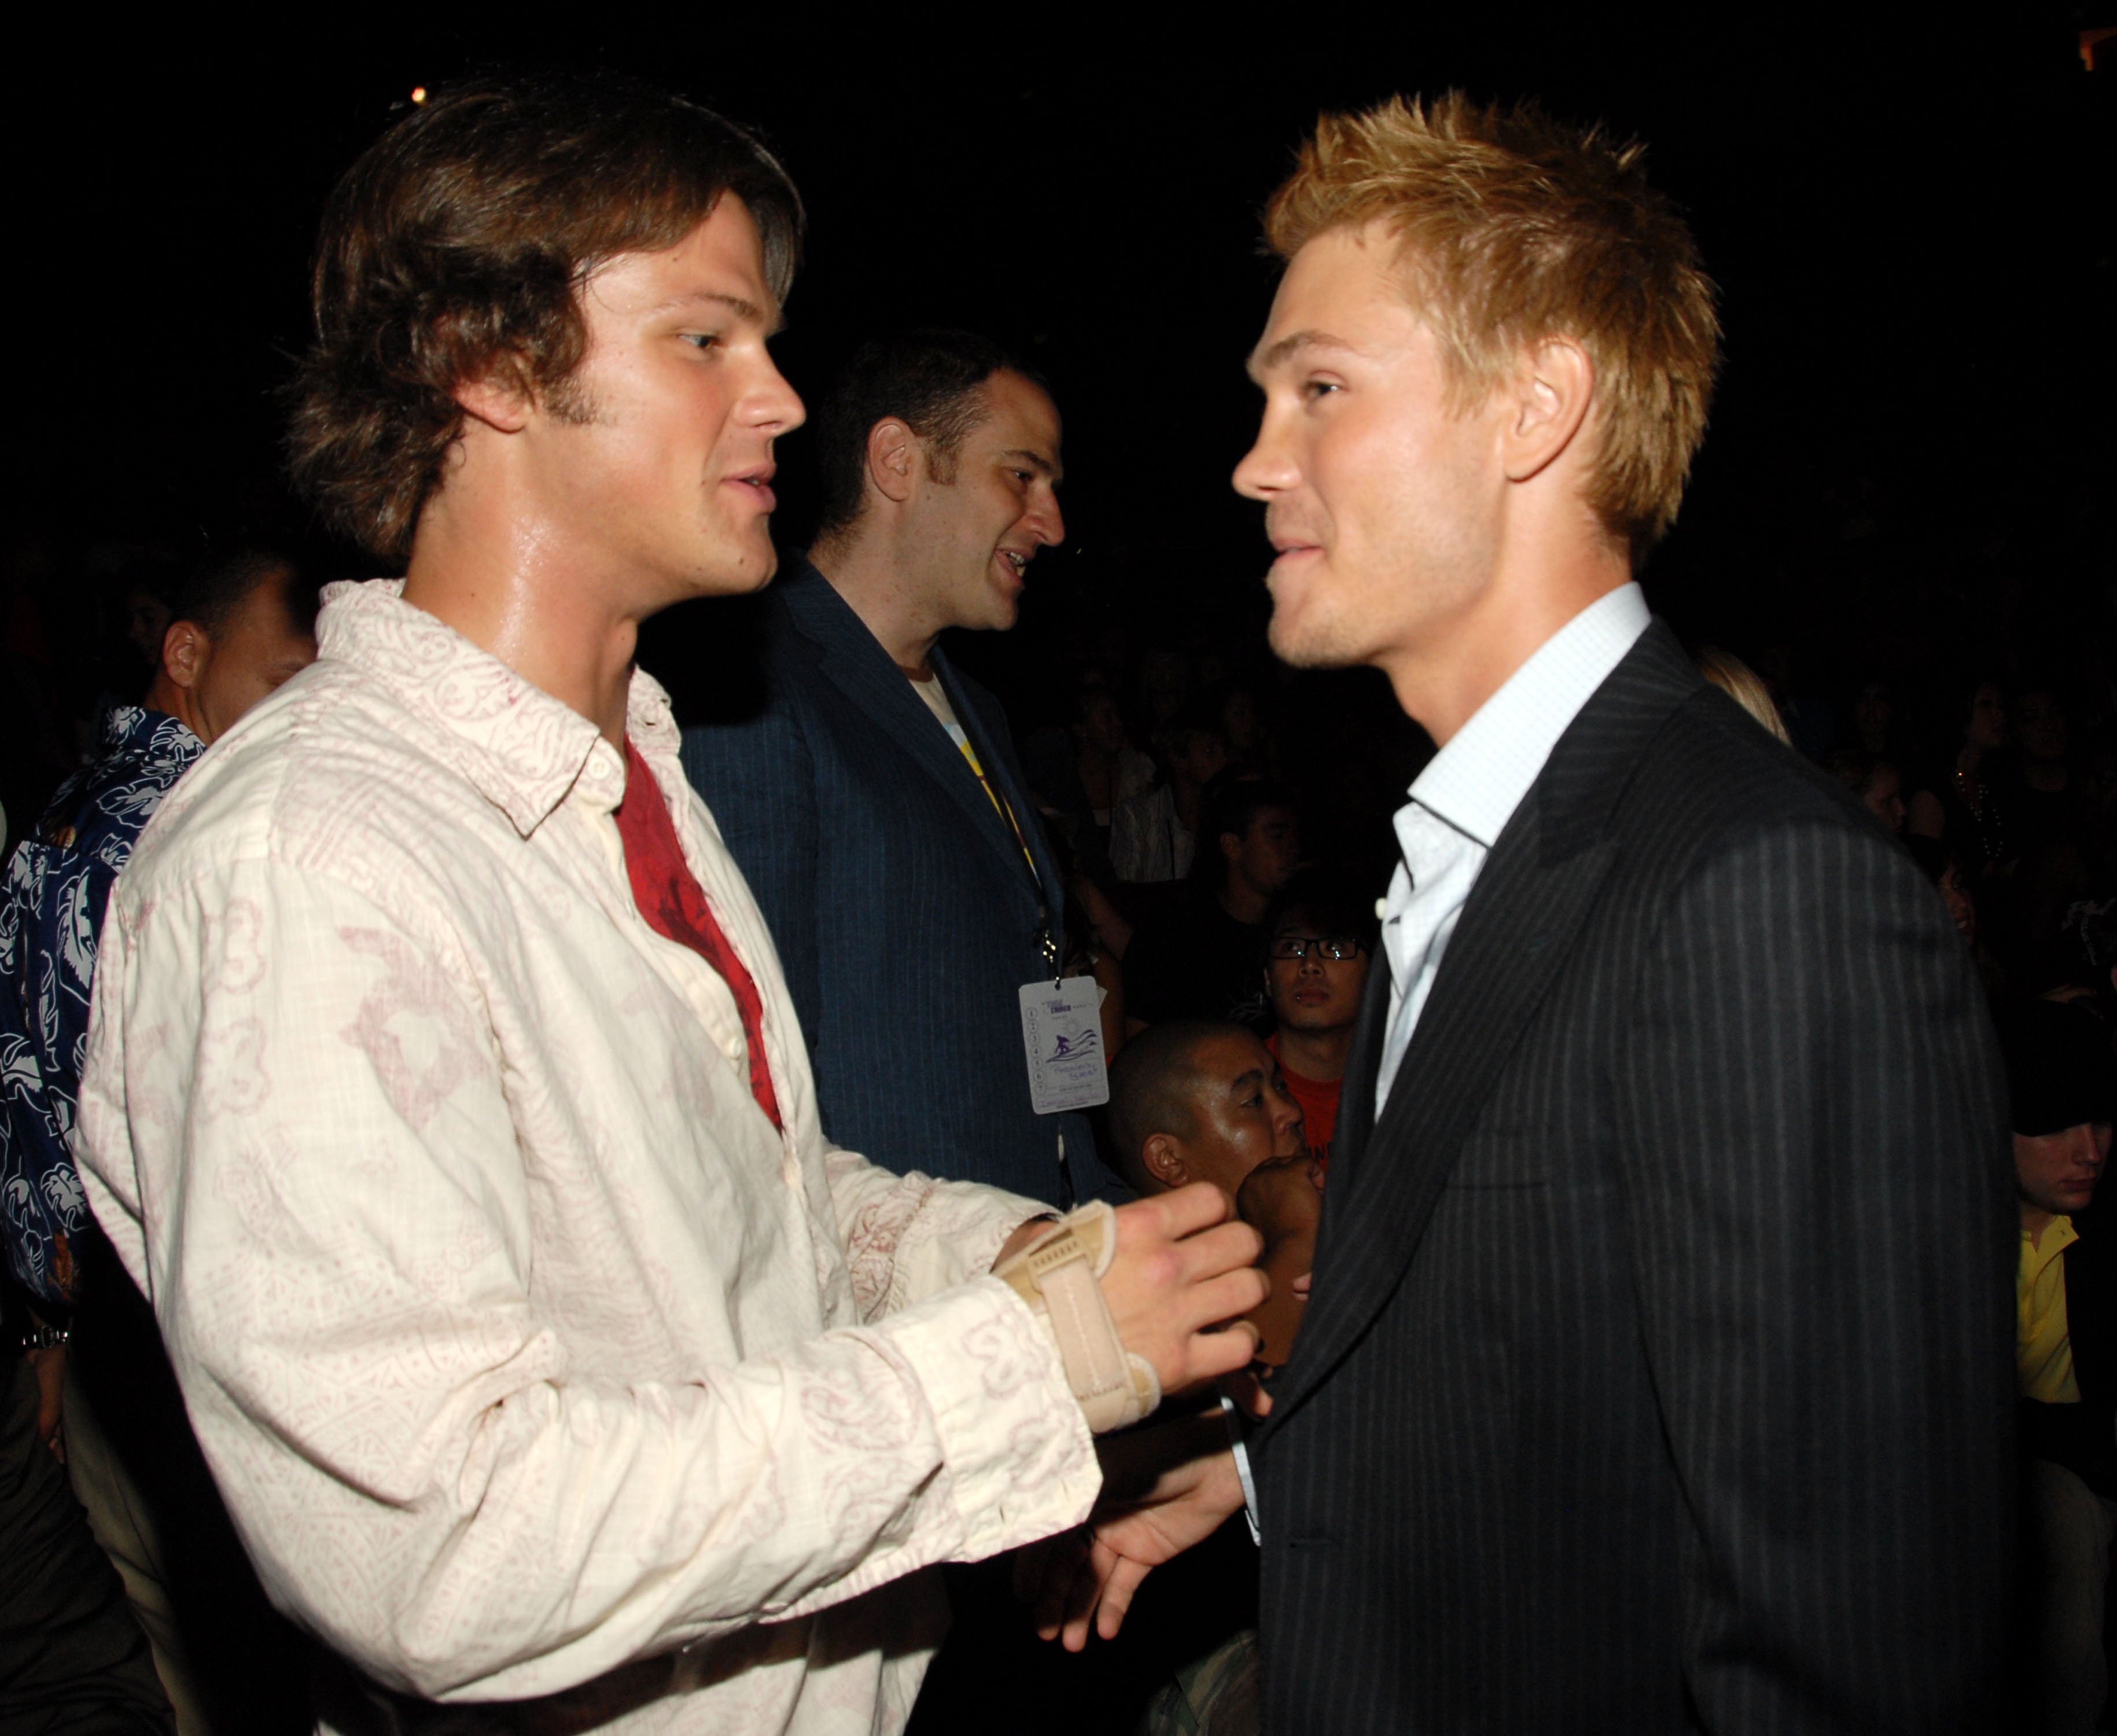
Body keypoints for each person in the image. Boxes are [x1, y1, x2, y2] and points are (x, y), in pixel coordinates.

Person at [70, 74, 1263, 1736]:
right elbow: (448, 1552)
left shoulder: (637, 781)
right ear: (481, 365)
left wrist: (1026, 1272)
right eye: (705, 341)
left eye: (767, 342)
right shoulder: (312, 866)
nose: (780, 398)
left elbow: (744, 1217)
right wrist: (1014, 1371)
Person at [1044, 91, 2015, 1732]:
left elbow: (1844, 1648)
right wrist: (1278, 1481)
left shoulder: (1755, 893)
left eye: (1321, 390)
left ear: (1533, 407)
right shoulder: (1473, 846)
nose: (1254, 459)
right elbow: (1554, 1386)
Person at [681, 328, 1121, 1204]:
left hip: (1042, 1236)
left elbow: (1039, 973)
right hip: (905, 1283)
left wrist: (1090, 1188)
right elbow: (752, 1074)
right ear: (896, 462)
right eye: (1021, 476)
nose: (1051, 523)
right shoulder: (752, 691)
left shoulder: (981, 710)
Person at [1, 545, 315, 1732]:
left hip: (104, 1339)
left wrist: (47, 1323)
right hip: (194, 1341)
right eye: (290, 680)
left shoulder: (72, 817)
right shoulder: (196, 834)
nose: (320, 713)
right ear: (184, 655)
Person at [2002, 999, 2117, 1736]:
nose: (2088, 1150)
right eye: (2052, 1128)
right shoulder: (1934, 1227)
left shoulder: (2101, 1225)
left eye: (2100, 1121)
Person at [1123, 778, 1299, 1031]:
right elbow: (1142, 1045)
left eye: (1294, 835)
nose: (1293, 848)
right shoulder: (1172, 939)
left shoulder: (1301, 932)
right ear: (1232, 846)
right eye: (1277, 836)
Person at [1259, 875, 1375, 1174]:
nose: (1310, 965)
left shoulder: (1406, 1085)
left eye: (1336, 948)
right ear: (1268, 979)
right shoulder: (1242, 1097)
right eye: (1291, 948)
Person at [1110, 703, 1229, 884]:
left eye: (1223, 749)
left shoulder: (1226, 812)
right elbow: (1127, 889)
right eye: (1210, 750)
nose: (1222, 759)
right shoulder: (1137, 814)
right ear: (1178, 758)